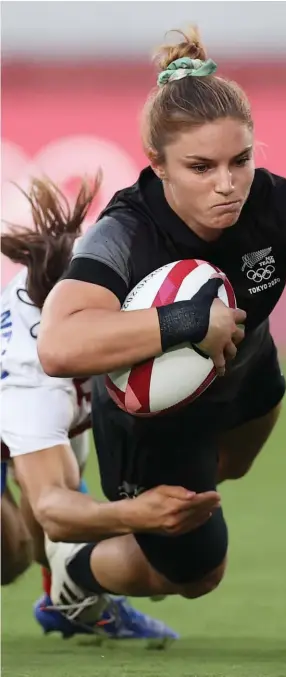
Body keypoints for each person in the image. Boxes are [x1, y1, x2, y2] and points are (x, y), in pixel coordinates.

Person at [37, 26, 286, 617]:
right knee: (196, 575)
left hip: (251, 384)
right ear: (158, 167)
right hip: (156, 418)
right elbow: (60, 346)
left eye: (240, 160)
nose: (227, 184)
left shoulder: (284, 207)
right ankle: (75, 573)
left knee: (231, 466)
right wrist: (191, 319)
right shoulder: (126, 233)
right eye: (200, 166)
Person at [0, 175, 178, 641]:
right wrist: (141, 521)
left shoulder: (82, 269)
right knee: (11, 554)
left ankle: (70, 605)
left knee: (62, 480)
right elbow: (56, 510)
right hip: (17, 405)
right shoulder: (33, 387)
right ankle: (72, 594)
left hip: (45, 402)